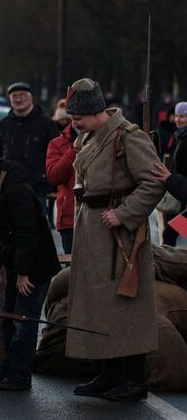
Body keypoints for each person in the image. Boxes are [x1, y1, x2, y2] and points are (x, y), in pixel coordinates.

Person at [65, 78, 163, 402]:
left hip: (118, 235)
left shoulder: (128, 137)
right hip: (92, 228)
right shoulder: (89, 137)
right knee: (97, 304)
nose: (73, 122)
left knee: (126, 306)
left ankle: (133, 380)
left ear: (94, 111)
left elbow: (153, 181)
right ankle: (108, 374)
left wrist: (125, 214)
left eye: (77, 116)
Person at [0, 153, 60, 391]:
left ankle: (20, 374)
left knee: (23, 321)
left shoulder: (18, 192)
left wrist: (23, 273)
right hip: (16, 263)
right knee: (8, 318)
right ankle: (9, 367)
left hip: (34, 267)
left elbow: (28, 235)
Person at [0, 82, 58, 211]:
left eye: (22, 95)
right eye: (14, 96)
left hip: (37, 188)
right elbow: (1, 150)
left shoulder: (46, 123)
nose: (18, 99)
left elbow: (55, 152)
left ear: (31, 98)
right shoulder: (4, 124)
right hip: (9, 186)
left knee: (36, 228)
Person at [156, 101, 187, 246]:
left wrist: (171, 179)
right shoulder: (180, 135)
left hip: (182, 191)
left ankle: (168, 265)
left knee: (170, 232)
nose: (178, 119)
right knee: (170, 232)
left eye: (182, 116)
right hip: (180, 192)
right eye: (176, 115)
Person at [46, 123, 78, 254]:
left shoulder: (105, 139)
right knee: (71, 270)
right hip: (70, 220)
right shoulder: (57, 143)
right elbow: (54, 177)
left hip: (100, 220)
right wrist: (74, 150)